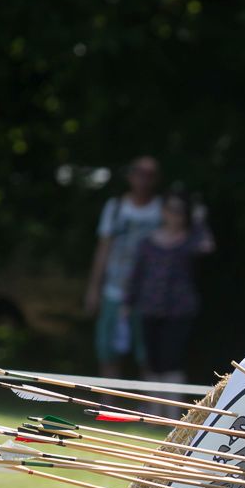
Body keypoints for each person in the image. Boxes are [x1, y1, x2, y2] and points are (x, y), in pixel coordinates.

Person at [121, 186, 214, 403]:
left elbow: (207, 246)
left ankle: (172, 412)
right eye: (171, 209)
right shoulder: (147, 242)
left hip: (179, 312)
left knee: (172, 361)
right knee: (152, 363)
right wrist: (127, 304)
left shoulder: (190, 241)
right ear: (163, 211)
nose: (175, 215)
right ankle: (154, 411)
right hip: (149, 309)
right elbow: (136, 276)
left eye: (180, 211)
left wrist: (199, 220)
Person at [84, 156, 162, 378]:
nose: (144, 179)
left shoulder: (162, 209)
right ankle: (107, 400)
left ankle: (146, 400)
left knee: (148, 358)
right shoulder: (115, 207)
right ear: (130, 176)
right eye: (139, 173)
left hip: (148, 296)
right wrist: (93, 289)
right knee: (108, 354)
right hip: (114, 291)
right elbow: (103, 249)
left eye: (150, 175)